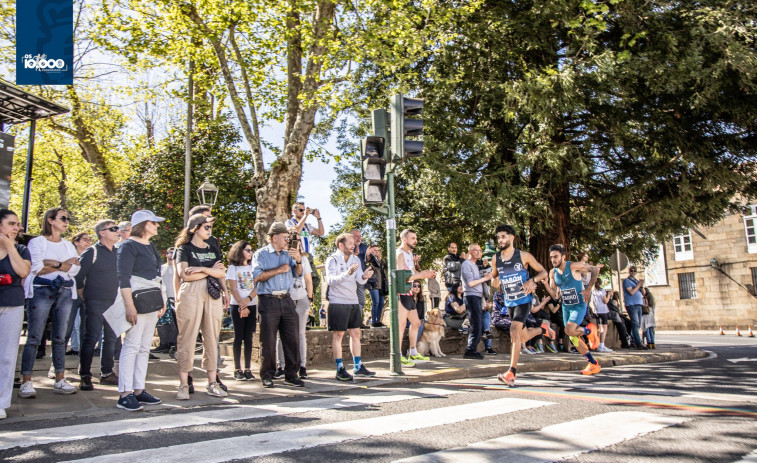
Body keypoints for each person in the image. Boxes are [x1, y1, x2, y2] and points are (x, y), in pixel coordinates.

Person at [19, 207, 80, 398]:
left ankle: (60, 379)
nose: (66, 221)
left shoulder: (68, 245)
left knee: (60, 338)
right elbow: (36, 268)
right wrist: (64, 265)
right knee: (35, 338)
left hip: (64, 291)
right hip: (41, 291)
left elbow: (76, 268)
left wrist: (54, 263)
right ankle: (26, 381)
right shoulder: (37, 243)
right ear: (51, 220)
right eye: (63, 218)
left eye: (67, 218)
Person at [115, 210, 166, 411]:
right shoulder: (128, 246)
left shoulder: (151, 246)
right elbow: (123, 277)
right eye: (154, 222)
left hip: (151, 298)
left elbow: (156, 274)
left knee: (145, 346)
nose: (157, 226)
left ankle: (138, 388)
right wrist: (129, 305)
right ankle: (125, 392)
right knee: (132, 344)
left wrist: (161, 299)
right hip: (136, 298)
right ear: (144, 224)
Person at [489, 225, 551, 387]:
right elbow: (495, 280)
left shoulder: (524, 256)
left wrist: (532, 281)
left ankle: (511, 373)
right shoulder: (496, 258)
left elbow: (543, 272)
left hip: (524, 300)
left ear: (512, 238)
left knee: (514, 331)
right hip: (509, 301)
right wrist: (494, 281)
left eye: (503, 236)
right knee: (521, 337)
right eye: (499, 237)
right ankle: (543, 330)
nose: (501, 240)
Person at [174, 214, 228, 399]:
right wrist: (210, 271)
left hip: (213, 293)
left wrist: (203, 270)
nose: (209, 230)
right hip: (191, 292)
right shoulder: (184, 248)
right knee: (187, 337)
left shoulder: (213, 248)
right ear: (194, 228)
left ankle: (212, 382)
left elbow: (221, 272)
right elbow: (185, 275)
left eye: (210, 227)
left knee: (212, 337)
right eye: (206, 227)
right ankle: (183, 384)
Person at [251, 222, 305, 388]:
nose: (288, 240)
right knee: (268, 340)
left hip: (287, 299)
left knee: (292, 339)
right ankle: (267, 375)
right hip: (268, 299)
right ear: (275, 237)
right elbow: (257, 276)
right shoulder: (261, 254)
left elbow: (298, 274)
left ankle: (291, 374)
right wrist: (278, 270)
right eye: (285, 237)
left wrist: (299, 260)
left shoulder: (288, 254)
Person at [542, 244, 603, 379]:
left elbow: (594, 269)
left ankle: (589, 331)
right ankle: (593, 363)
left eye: (556, 257)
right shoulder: (553, 273)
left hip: (579, 305)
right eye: (551, 257)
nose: (553, 260)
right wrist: (546, 285)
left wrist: (588, 288)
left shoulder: (573, 266)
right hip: (566, 307)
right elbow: (556, 295)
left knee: (569, 330)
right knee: (572, 337)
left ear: (563, 257)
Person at [76, 219, 122, 391]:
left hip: (114, 303)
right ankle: (85, 375)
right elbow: (78, 277)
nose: (117, 231)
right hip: (95, 301)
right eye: (113, 229)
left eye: (117, 228)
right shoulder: (91, 252)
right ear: (102, 233)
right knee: (91, 338)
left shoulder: (118, 252)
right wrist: (86, 297)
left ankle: (107, 373)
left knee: (111, 339)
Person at [325, 233, 376, 381]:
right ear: (341, 245)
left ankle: (358, 366)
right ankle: (340, 368)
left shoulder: (355, 259)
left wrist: (364, 276)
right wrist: (348, 273)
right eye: (350, 243)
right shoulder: (332, 259)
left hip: (353, 301)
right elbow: (331, 281)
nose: (353, 245)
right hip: (338, 302)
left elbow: (359, 281)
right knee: (339, 335)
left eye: (354, 243)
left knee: (356, 334)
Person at [0, 209, 31, 419]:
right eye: (12, 224)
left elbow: (23, 272)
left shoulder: (21, 249)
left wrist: (10, 246)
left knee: (7, 356)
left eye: (18, 224)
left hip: (12, 305)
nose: (17, 228)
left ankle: (1, 402)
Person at [396, 229, 436, 366]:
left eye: (416, 238)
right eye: (413, 238)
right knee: (400, 326)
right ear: (405, 239)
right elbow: (401, 277)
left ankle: (412, 353)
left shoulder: (409, 253)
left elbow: (413, 273)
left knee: (416, 323)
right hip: (401, 292)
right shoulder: (399, 254)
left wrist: (424, 273)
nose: (416, 241)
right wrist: (420, 276)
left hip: (409, 292)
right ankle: (397, 355)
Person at [275, 244, 313, 380]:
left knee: (301, 333)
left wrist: (310, 298)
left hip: (301, 297)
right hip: (286, 297)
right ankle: (281, 366)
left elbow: (308, 279)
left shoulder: (304, 259)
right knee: (282, 334)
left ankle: (302, 366)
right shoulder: (280, 256)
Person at [225, 240, 257, 381]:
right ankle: (237, 369)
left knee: (249, 337)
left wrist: (248, 300)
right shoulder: (233, 268)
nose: (250, 253)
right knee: (238, 337)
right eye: (247, 250)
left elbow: (257, 286)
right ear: (240, 251)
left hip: (251, 303)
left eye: (251, 250)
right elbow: (233, 288)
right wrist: (241, 304)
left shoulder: (253, 267)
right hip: (237, 305)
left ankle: (248, 368)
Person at [461, 243, 494, 359]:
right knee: (476, 324)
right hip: (471, 296)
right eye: (475, 250)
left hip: (477, 296)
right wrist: (485, 278)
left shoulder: (475, 265)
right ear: (469, 252)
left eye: (480, 250)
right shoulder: (466, 264)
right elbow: (470, 283)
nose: (478, 252)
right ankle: (470, 350)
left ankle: (472, 348)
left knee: (478, 323)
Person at [65, 232, 91, 356]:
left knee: (85, 331)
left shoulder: (92, 255)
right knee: (66, 329)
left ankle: (84, 365)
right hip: (71, 295)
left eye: (90, 240)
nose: (88, 242)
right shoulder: (69, 256)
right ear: (76, 242)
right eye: (85, 239)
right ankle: (55, 366)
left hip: (87, 296)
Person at [154, 248, 178, 354]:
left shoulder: (178, 268)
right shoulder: (161, 268)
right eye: (170, 252)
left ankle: (173, 344)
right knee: (162, 322)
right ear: (166, 254)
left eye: (174, 252)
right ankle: (163, 344)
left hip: (175, 298)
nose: (171, 254)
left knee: (174, 322)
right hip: (163, 298)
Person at [623, 265, 646, 349]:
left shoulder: (636, 281)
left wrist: (641, 285)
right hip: (631, 304)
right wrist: (638, 285)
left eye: (634, 270)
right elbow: (631, 292)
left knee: (638, 324)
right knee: (635, 323)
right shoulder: (627, 281)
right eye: (631, 271)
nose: (633, 272)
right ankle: (638, 342)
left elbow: (643, 293)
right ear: (629, 272)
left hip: (639, 304)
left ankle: (633, 342)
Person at [350, 229, 369, 325]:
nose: (359, 238)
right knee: (349, 301)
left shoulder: (363, 247)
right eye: (356, 236)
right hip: (348, 280)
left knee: (361, 301)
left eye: (360, 236)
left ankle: (359, 322)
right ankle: (350, 322)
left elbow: (368, 260)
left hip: (361, 278)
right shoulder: (346, 246)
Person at [366, 244, 388, 327]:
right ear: (371, 251)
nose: (377, 252)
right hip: (373, 283)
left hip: (381, 284)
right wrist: (376, 258)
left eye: (378, 250)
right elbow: (375, 265)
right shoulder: (370, 259)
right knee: (376, 302)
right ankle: (374, 321)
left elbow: (386, 267)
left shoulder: (381, 261)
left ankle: (378, 321)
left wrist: (380, 259)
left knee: (381, 303)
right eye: (375, 250)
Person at [591, 280, 614, 352]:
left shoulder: (593, 291)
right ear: (600, 284)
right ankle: (602, 344)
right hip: (603, 311)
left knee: (599, 328)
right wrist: (609, 295)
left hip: (596, 310)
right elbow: (605, 301)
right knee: (604, 328)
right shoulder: (602, 291)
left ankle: (597, 344)